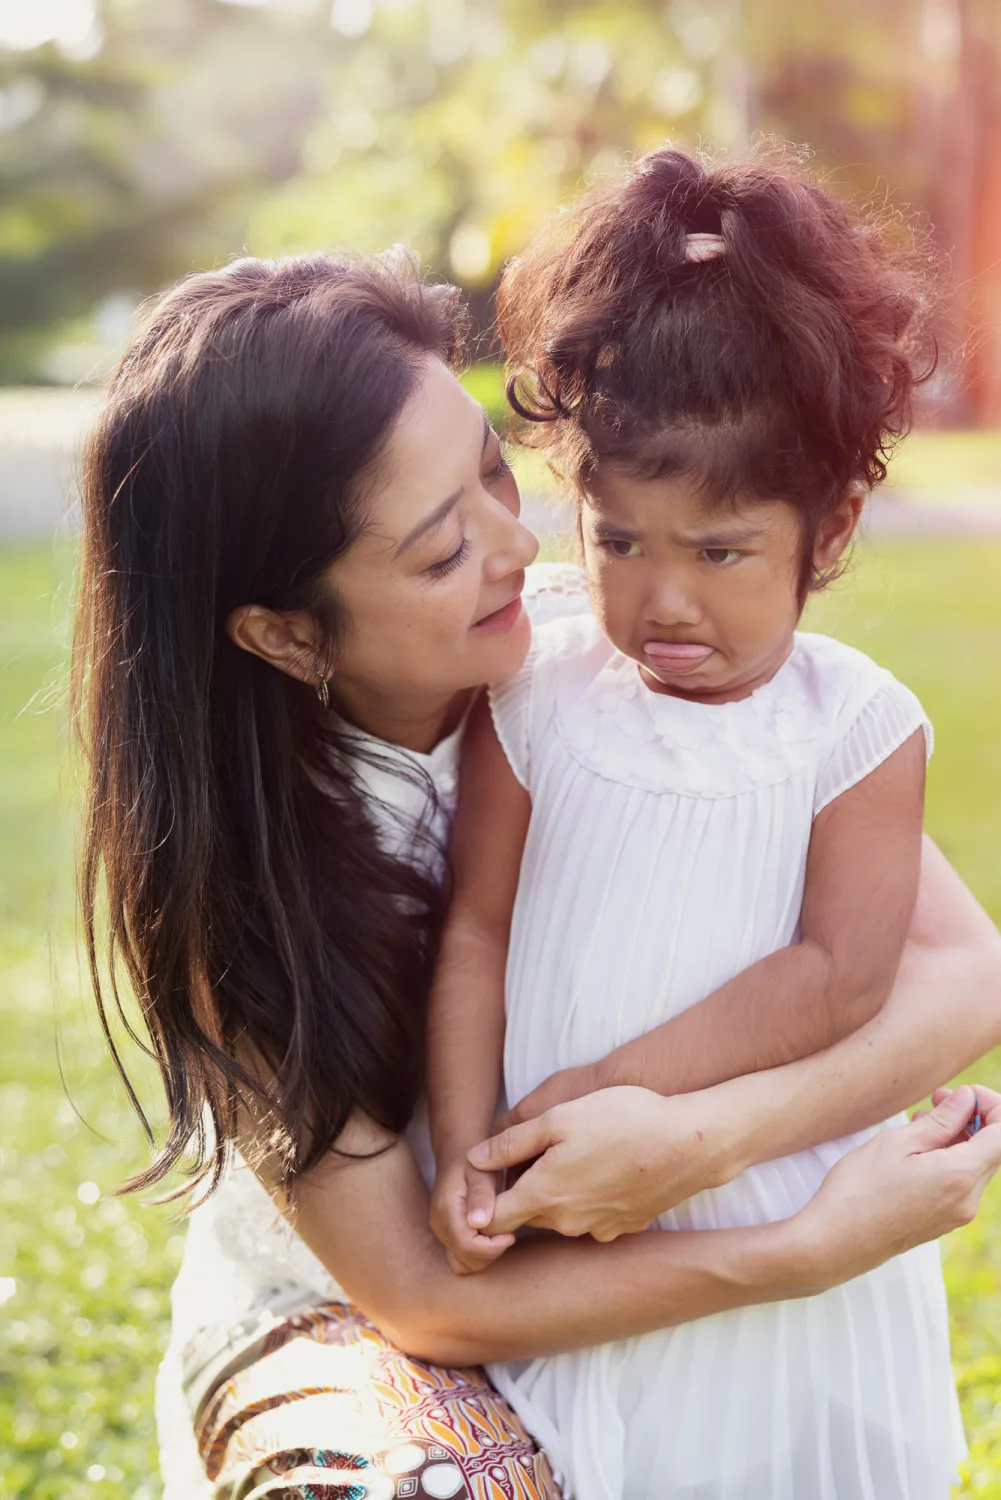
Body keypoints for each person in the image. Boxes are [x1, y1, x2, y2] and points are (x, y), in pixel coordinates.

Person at [70, 247, 1001, 1500]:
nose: (523, 549)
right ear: (288, 634)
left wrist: (696, 1143)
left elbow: (960, 973)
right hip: (360, 1318)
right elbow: (418, 1299)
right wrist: (802, 1248)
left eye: (496, 477)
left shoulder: (600, 651)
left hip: (628, 1231)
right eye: (443, 551)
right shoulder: (237, 889)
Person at [426, 147, 977, 1500]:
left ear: (830, 525)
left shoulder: (853, 729)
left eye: (719, 553)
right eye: (618, 543)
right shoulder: (543, 695)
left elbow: (838, 976)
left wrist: (624, 1091)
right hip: (578, 1213)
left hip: (770, 1209)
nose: (663, 601)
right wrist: (462, 1146)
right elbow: (475, 937)